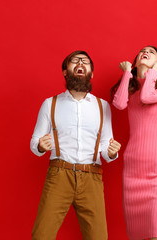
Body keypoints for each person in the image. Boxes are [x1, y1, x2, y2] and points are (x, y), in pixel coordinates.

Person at [30, 50, 121, 240]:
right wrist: (40, 146)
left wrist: (111, 152)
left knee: (98, 237)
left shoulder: (102, 106)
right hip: (59, 175)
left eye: (85, 62)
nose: (81, 63)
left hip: (92, 177)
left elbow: (106, 146)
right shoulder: (50, 104)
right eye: (75, 61)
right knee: (41, 235)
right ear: (66, 71)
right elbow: (34, 143)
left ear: (91, 73)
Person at [111, 46, 157, 240]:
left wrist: (155, 72)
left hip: (156, 172)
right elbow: (118, 103)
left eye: (151, 52)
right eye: (142, 50)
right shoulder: (131, 87)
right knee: (135, 236)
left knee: (156, 235)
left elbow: (146, 96)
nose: (145, 52)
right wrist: (127, 73)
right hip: (132, 171)